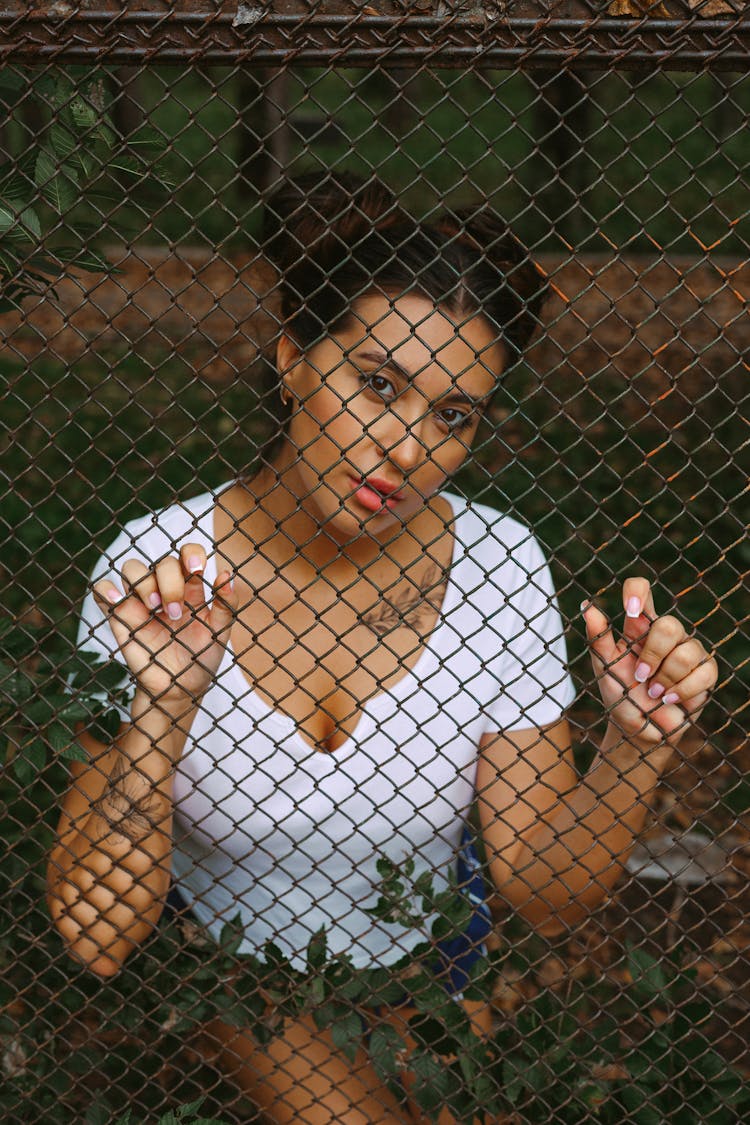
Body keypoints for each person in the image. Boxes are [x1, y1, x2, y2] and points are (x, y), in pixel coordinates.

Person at [47, 172, 717, 1125]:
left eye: (453, 414)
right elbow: (97, 938)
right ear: (292, 360)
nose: (407, 449)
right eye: (377, 385)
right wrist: (162, 706)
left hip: (430, 961)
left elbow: (547, 893)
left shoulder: (499, 560)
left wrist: (636, 745)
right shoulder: (160, 565)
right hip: (234, 971)